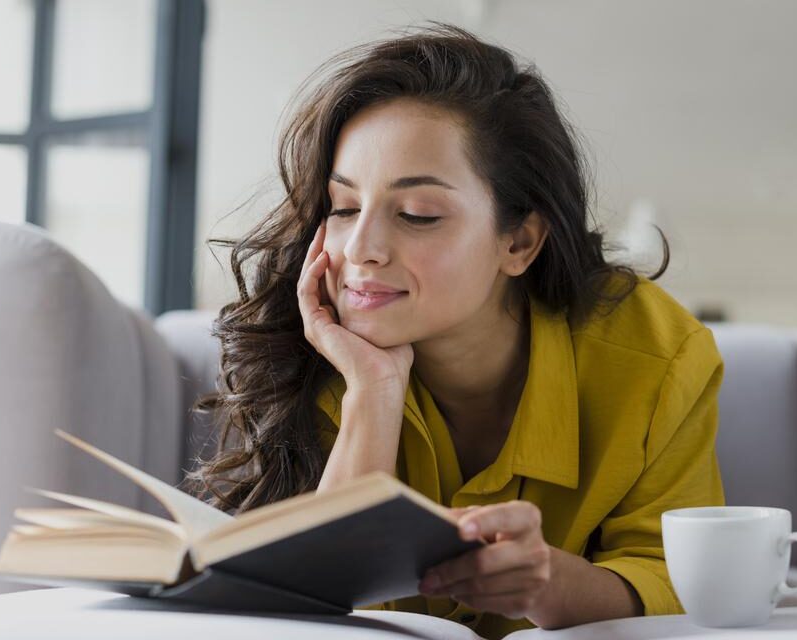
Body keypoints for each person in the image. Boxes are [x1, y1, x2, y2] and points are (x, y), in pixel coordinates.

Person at [186, 21, 725, 640]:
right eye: (343, 207)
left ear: (519, 240)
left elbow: (679, 577)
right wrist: (373, 389)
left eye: (417, 215)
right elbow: (313, 606)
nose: (361, 249)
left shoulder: (660, 356)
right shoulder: (319, 345)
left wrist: (548, 580)